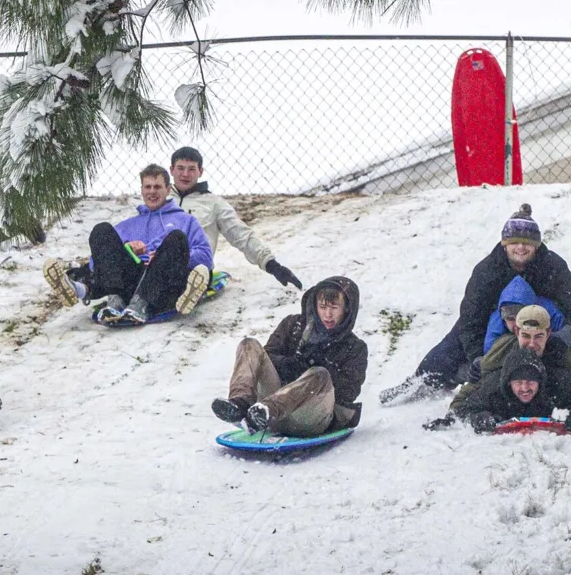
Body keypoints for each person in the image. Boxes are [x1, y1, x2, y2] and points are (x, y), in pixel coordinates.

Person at [379, 203, 571, 405]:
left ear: (536, 246)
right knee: (451, 345)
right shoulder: (487, 271)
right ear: (504, 243)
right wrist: (477, 354)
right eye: (514, 243)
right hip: (497, 318)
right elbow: (471, 318)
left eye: (527, 243)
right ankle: (421, 381)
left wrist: (568, 331)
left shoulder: (552, 266)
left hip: (544, 320)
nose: (521, 248)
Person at [42, 165, 214, 323]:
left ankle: (154, 301)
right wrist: (126, 248)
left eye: (157, 187)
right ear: (141, 190)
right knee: (101, 230)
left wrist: (165, 256)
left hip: (162, 283)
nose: (152, 192)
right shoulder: (128, 225)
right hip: (128, 282)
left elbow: (206, 257)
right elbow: (98, 261)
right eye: (148, 187)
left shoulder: (186, 220)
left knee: (176, 238)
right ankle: (111, 299)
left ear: (168, 189)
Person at [211, 277, 368, 436]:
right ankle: (239, 404)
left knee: (320, 374)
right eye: (322, 307)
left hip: (309, 416)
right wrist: (286, 364)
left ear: (346, 309)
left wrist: (310, 375)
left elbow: (348, 392)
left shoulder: (355, 348)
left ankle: (266, 410)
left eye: (334, 308)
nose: (327, 314)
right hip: (272, 411)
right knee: (249, 345)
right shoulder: (293, 325)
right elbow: (268, 354)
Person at [169, 147, 302, 289]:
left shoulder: (213, 203)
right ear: (171, 170)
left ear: (200, 172)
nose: (185, 174)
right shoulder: (159, 198)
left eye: (191, 169)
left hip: (195, 268)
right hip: (160, 265)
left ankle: (189, 287)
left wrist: (272, 265)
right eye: (180, 168)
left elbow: (240, 234)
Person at [423, 346, 571, 433]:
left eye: (531, 382)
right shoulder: (493, 389)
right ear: (508, 383)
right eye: (518, 382)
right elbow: (460, 411)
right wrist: (478, 418)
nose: (525, 388)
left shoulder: (560, 384)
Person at [465, 304, 571, 400]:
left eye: (538, 336)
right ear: (517, 332)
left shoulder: (561, 352)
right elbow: (479, 381)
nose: (532, 344)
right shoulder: (503, 348)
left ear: (548, 333)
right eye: (526, 336)